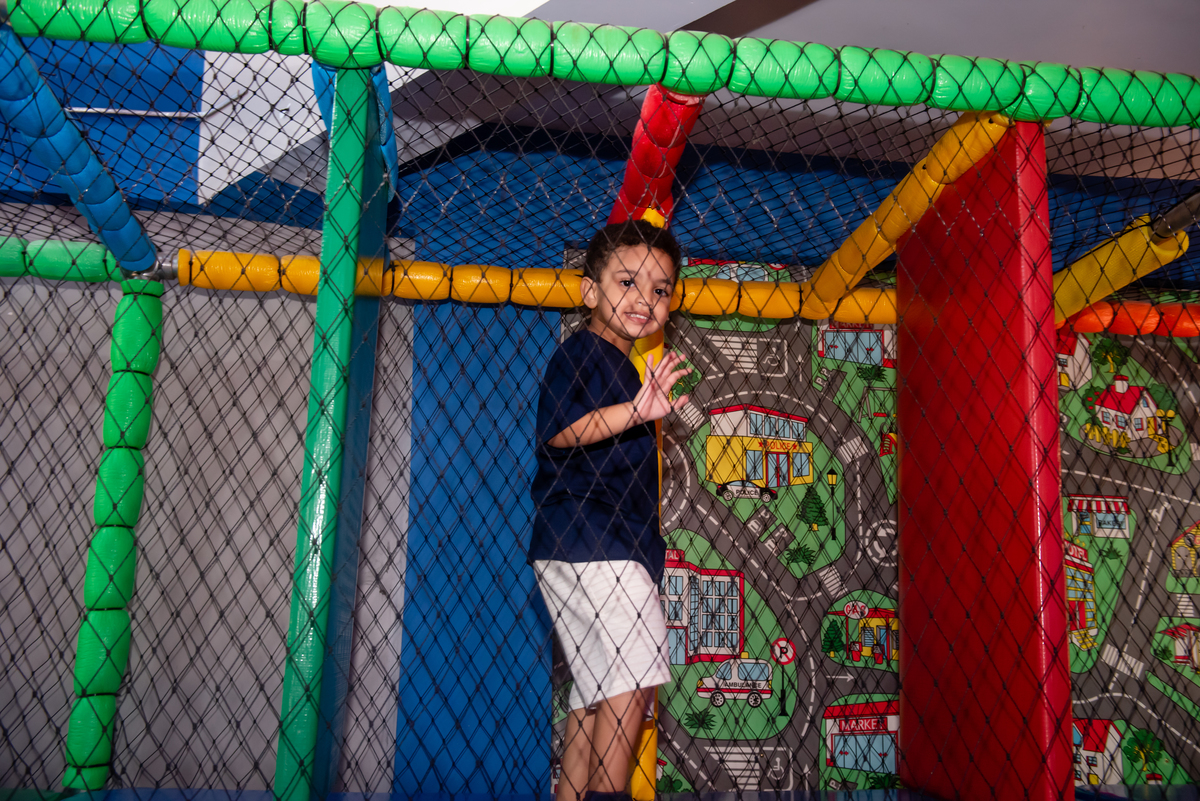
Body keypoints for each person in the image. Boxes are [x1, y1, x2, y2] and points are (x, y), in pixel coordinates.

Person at [530, 220, 695, 801]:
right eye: (627, 281)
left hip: (577, 543)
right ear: (589, 290)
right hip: (591, 536)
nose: (645, 298)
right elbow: (561, 431)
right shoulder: (583, 353)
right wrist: (638, 411)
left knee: (595, 693)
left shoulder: (624, 370)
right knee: (638, 665)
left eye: (660, 289)